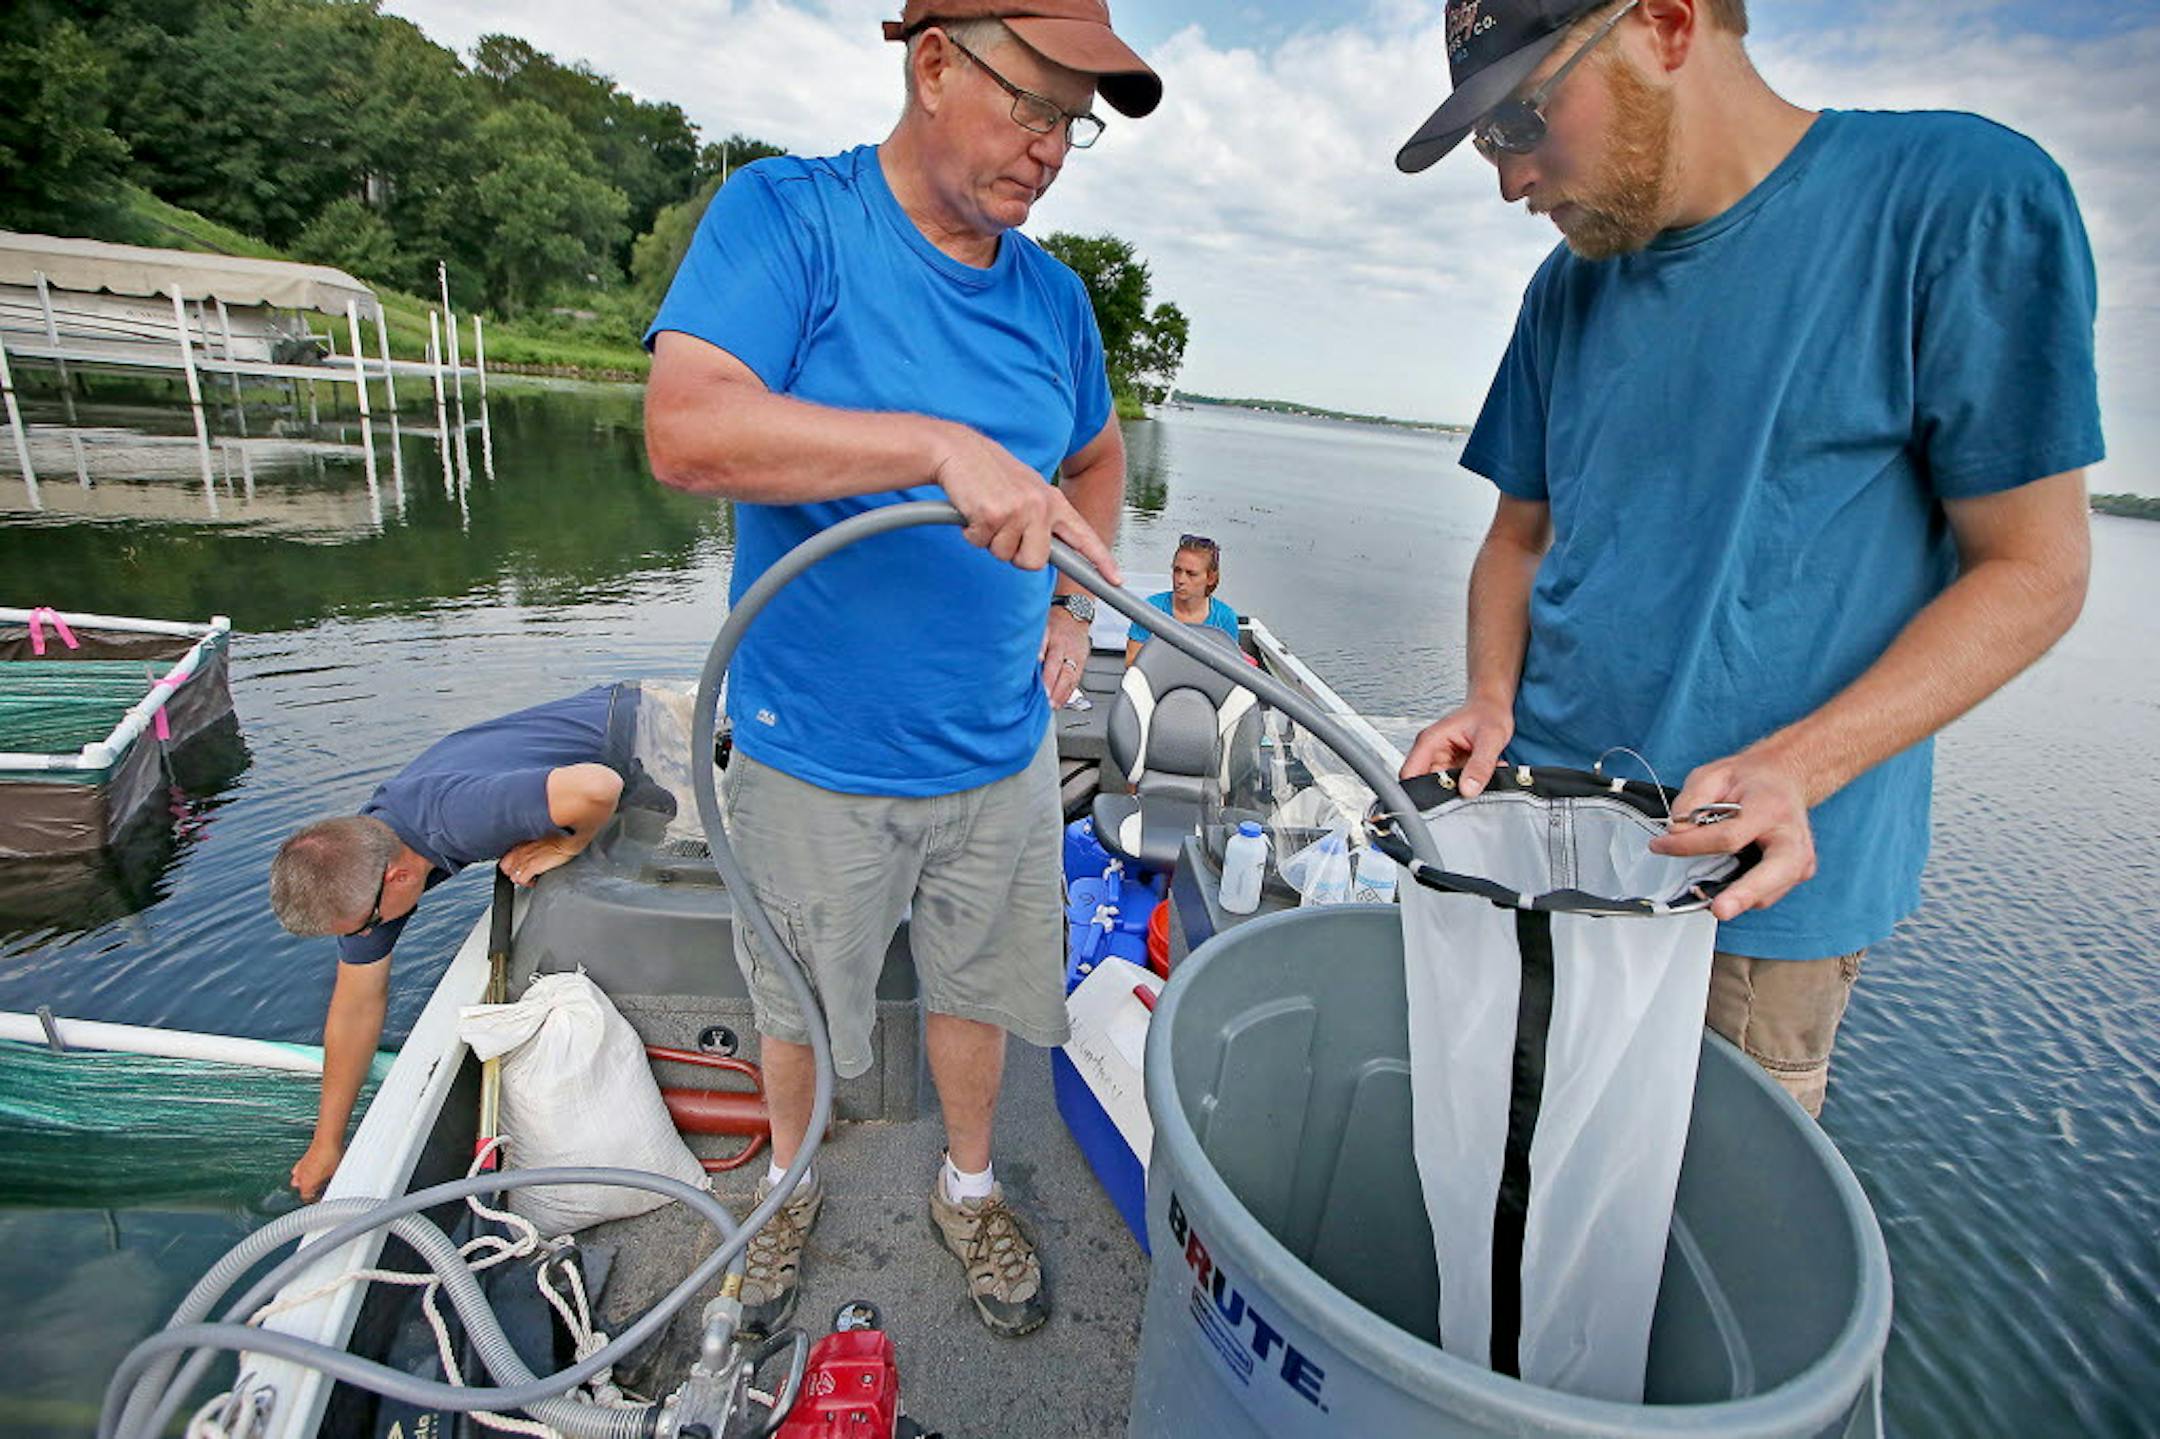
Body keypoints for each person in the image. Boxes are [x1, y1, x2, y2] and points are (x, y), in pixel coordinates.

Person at [1394, 0, 2098, 1117]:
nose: (1509, 182)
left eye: (1523, 119)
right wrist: (1488, 692)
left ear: (1667, 27)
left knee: (1692, 1253)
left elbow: (2035, 568)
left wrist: (1800, 766)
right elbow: (1517, 537)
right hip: (1541, 847)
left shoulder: (1956, 199)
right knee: (1504, 1178)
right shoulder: (1566, 290)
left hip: (1744, 904)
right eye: (1488, 141)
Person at [641, 1, 1158, 1337]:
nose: (1049, 150)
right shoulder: (789, 218)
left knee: (978, 996)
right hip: (810, 755)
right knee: (799, 1006)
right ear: (934, 64)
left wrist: (1072, 614)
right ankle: (791, 1183)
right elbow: (689, 428)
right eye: (1031, 105)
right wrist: (931, 442)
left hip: (997, 752)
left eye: (1072, 126)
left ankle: (970, 1183)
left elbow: (1096, 459)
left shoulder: (1055, 300)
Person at [269, 686, 639, 1201]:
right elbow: (355, 1004)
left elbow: (599, 786)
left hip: (649, 728)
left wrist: (565, 842)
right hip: (593, 757)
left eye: (361, 925)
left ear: (397, 878)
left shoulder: (454, 818)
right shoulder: (364, 863)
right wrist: (326, 1144)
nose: (363, 936)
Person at [1123, 533, 1239, 664]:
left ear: (1211, 578)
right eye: (1177, 570)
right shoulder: (1151, 609)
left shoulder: (1225, 618)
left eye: (1191, 574)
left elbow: (1231, 670)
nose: (1180, 580)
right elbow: (1131, 662)